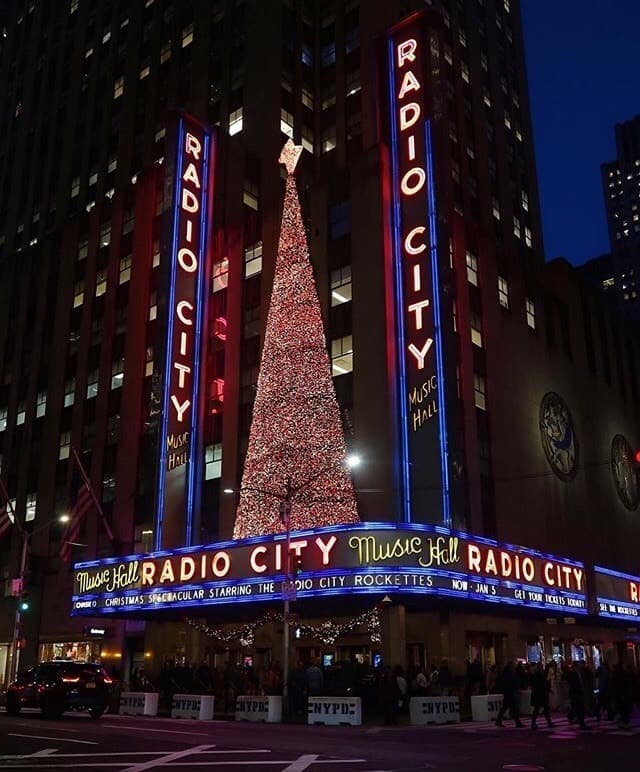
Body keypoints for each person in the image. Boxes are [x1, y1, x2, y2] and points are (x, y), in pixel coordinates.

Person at [495, 662, 524, 728]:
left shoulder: (507, 674)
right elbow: (512, 682)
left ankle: (499, 721)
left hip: (509, 693)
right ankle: (517, 722)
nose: (514, 667)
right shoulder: (509, 674)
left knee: (507, 708)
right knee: (511, 708)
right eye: (512, 666)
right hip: (510, 693)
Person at [565, 661, 589, 730]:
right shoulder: (572, 673)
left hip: (579, 692)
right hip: (576, 693)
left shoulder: (579, 673)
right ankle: (581, 723)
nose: (579, 666)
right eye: (578, 665)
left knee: (578, 707)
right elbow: (571, 683)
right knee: (579, 708)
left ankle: (575, 718)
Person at [530, 662, 554, 729]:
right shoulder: (538, 674)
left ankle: (548, 722)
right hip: (539, 694)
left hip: (540, 694)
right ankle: (534, 723)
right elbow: (541, 684)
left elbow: (543, 682)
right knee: (538, 709)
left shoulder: (538, 674)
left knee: (542, 709)